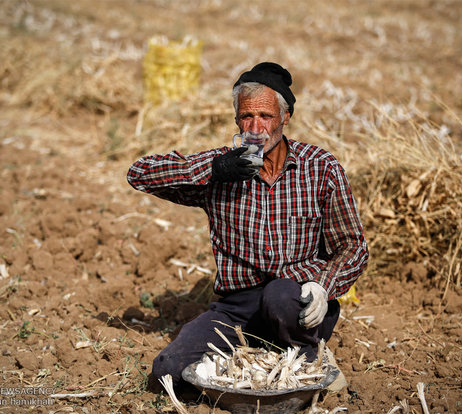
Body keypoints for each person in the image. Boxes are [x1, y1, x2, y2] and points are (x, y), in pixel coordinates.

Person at [127, 62, 368, 392]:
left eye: (266, 117)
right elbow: (139, 173)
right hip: (237, 309)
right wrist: (213, 168)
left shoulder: (320, 168)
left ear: (285, 117)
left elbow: (353, 246)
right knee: (168, 372)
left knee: (279, 293)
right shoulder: (222, 168)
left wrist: (323, 286)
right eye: (246, 117)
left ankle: (309, 357)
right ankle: (259, 357)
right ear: (236, 119)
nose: (256, 128)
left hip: (296, 302)